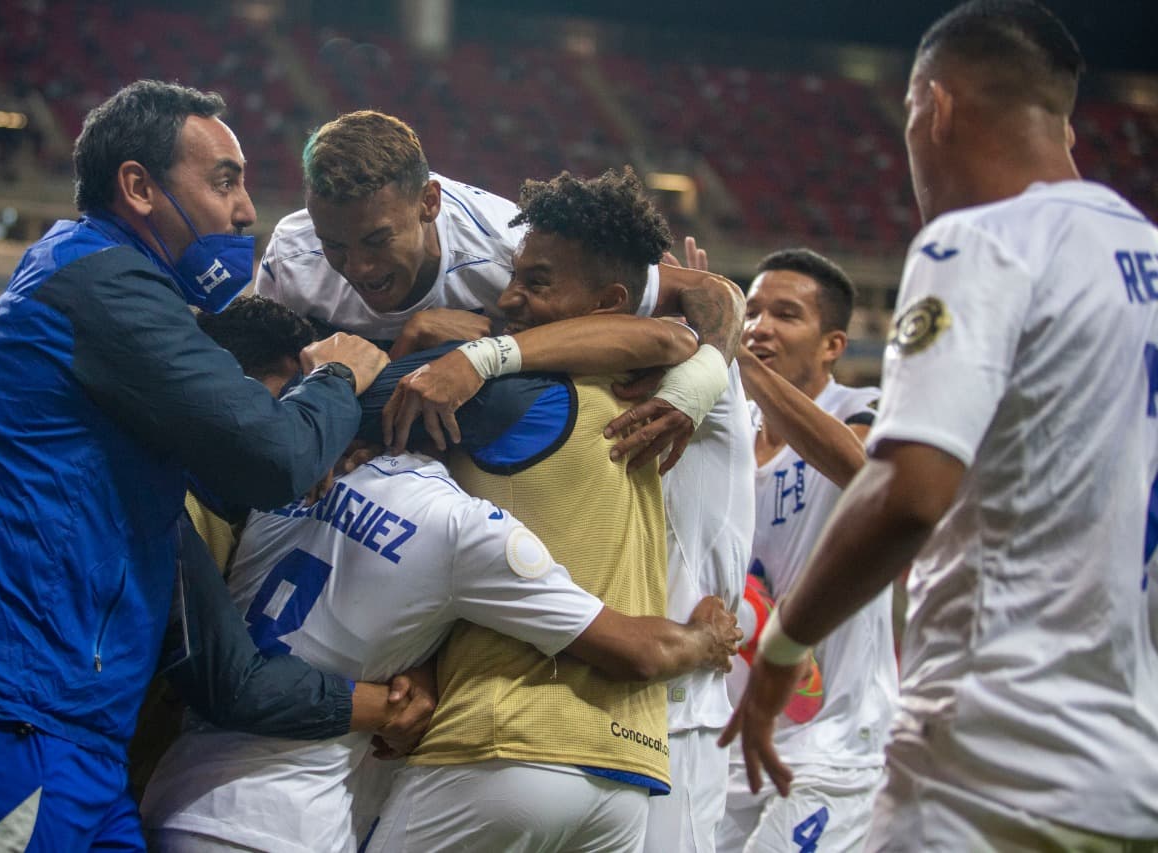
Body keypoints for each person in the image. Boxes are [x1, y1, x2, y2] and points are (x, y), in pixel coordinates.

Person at [0, 81, 402, 851]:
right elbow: (271, 456)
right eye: (224, 180)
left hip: (71, 735)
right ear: (138, 187)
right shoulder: (103, 282)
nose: (246, 210)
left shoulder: (110, 305)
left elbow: (236, 481)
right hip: (0, 723)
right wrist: (335, 377)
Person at [725, 1, 1158, 849]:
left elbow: (908, 491)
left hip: (993, 760)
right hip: (1130, 766)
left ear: (935, 106)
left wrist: (779, 651)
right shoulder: (1143, 257)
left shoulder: (979, 243)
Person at [139, 296, 742, 852]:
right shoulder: (466, 529)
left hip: (177, 794)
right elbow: (633, 649)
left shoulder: (277, 489)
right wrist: (705, 640)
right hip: (293, 822)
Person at [366, 169, 751, 852]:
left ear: (610, 301)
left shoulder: (524, 399)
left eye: (537, 283)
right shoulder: (660, 377)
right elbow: (677, 330)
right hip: (632, 763)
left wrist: (459, 352)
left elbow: (700, 312)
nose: (509, 297)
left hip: (515, 735)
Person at [258, 110, 738, 471]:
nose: (358, 267)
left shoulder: (508, 245)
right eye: (334, 245)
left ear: (429, 202)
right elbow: (264, 374)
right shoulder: (293, 252)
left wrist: (693, 390)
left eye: (378, 240)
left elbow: (714, 293)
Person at [717, 249, 898, 852]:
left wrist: (742, 363)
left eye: (786, 315)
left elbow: (864, 471)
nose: (760, 326)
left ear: (832, 345)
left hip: (833, 744)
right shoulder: (730, 427)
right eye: (751, 311)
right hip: (727, 742)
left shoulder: (861, 409)